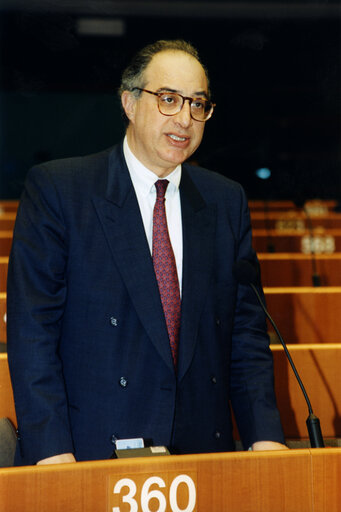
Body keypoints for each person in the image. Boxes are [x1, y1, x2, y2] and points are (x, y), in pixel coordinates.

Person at [7, 39, 287, 466]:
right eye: (169, 99)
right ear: (129, 103)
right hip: (89, 451)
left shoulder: (225, 201)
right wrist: (51, 452)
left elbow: (245, 334)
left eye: (198, 104)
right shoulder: (61, 191)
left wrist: (264, 436)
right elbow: (33, 332)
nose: (185, 119)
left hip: (201, 455)